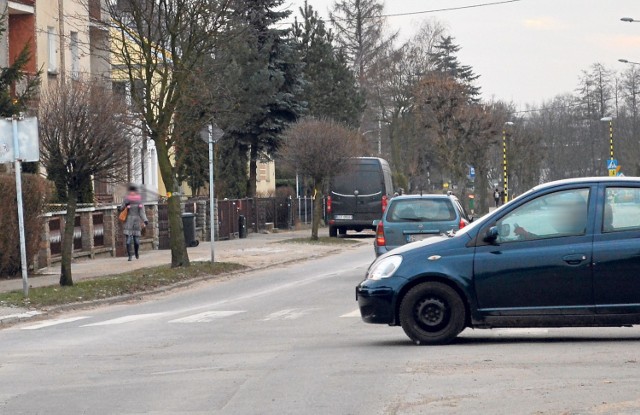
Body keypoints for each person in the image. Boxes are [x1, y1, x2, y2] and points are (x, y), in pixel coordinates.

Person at [118, 184, 148, 261]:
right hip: (128, 221)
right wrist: (126, 206)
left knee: (136, 242)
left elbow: (142, 212)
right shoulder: (126, 200)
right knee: (128, 242)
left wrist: (145, 220)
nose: (132, 193)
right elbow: (121, 209)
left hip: (136, 222)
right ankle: (130, 256)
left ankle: (136, 252)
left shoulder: (139, 201)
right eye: (130, 192)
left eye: (133, 192)